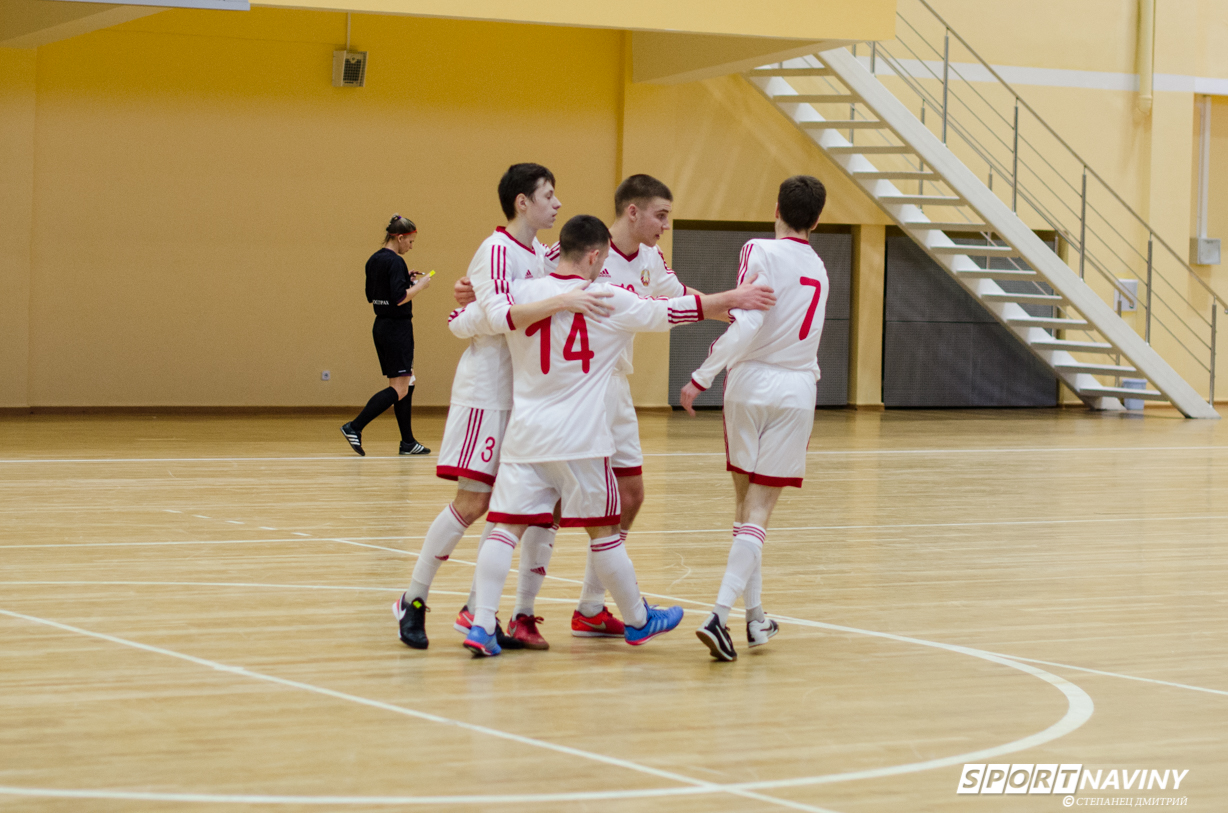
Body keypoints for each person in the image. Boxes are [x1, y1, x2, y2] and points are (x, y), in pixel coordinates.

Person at [461, 214, 777, 657]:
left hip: (525, 434)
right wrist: (733, 297)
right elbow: (670, 311)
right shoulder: (606, 297)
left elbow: (471, 316)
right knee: (606, 530)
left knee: (504, 527)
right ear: (594, 256)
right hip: (581, 438)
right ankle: (637, 619)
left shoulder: (522, 292)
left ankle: (480, 625)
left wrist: (469, 291)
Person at [392, 164, 610, 650]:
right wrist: (550, 302)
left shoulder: (538, 253)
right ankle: (414, 597)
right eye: (548, 195)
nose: (557, 204)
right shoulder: (495, 250)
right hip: (487, 393)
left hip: (525, 398)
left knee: (522, 507)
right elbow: (489, 317)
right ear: (522, 202)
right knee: (474, 503)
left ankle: (483, 615)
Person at [680, 175, 829, 662]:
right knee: (759, 514)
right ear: (818, 218)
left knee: (746, 511)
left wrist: (702, 375)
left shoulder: (758, 250)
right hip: (795, 388)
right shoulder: (822, 270)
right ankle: (721, 615)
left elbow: (746, 322)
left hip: (748, 385)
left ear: (777, 209)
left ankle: (755, 618)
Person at [341, 215, 432, 456]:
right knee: (400, 388)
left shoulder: (374, 260)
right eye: (410, 242)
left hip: (381, 326)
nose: (411, 247)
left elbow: (373, 295)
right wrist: (419, 286)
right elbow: (400, 298)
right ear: (400, 238)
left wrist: (405, 281)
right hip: (397, 328)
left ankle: (408, 442)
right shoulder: (396, 262)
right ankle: (354, 426)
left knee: (407, 382)